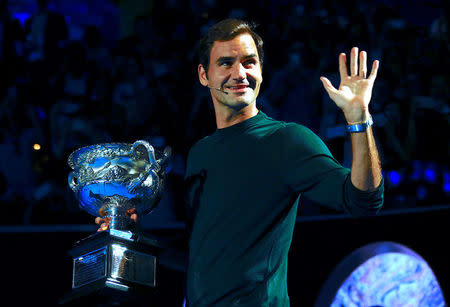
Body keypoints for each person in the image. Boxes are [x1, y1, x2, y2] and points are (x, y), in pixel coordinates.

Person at [96, 19, 383, 306]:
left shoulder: (287, 140)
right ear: (203, 75)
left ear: (260, 70)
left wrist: (358, 119)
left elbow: (363, 200)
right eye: (225, 63)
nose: (240, 73)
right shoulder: (200, 153)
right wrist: (131, 236)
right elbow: (197, 259)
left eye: (249, 62)